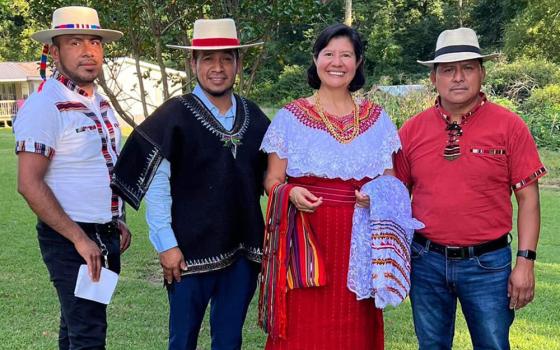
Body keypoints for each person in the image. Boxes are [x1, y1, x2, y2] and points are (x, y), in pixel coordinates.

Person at [110, 18, 270, 350]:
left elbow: (275, 176)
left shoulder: (254, 117)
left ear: (238, 63)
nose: (218, 68)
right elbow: (157, 186)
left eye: (227, 58)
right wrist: (166, 246)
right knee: (182, 340)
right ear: (192, 63)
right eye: (208, 59)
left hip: (242, 254)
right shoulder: (174, 115)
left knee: (229, 340)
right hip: (187, 255)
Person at [395, 27, 546, 350]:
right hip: (426, 260)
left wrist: (525, 262)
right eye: (448, 70)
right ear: (434, 78)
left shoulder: (509, 126)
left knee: (492, 344)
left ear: (482, 73)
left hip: (488, 264)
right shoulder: (411, 130)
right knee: (431, 345)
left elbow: (528, 198)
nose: (458, 78)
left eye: (468, 68)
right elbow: (395, 195)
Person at [260, 23, 401, 349]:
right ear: (316, 58)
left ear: (358, 63)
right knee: (302, 330)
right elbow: (272, 180)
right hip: (306, 240)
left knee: (355, 331)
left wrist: (376, 195)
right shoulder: (291, 117)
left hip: (360, 244)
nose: (337, 62)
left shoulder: (377, 119)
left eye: (346, 55)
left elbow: (391, 181)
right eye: (329, 54)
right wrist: (290, 193)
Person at [14, 6, 131, 350]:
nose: (87, 51)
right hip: (70, 238)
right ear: (54, 50)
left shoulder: (100, 103)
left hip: (103, 233)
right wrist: (80, 240)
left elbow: (105, 168)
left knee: (75, 329)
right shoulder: (45, 105)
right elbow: (29, 184)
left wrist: (117, 218)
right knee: (88, 336)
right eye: (74, 42)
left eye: (94, 42)